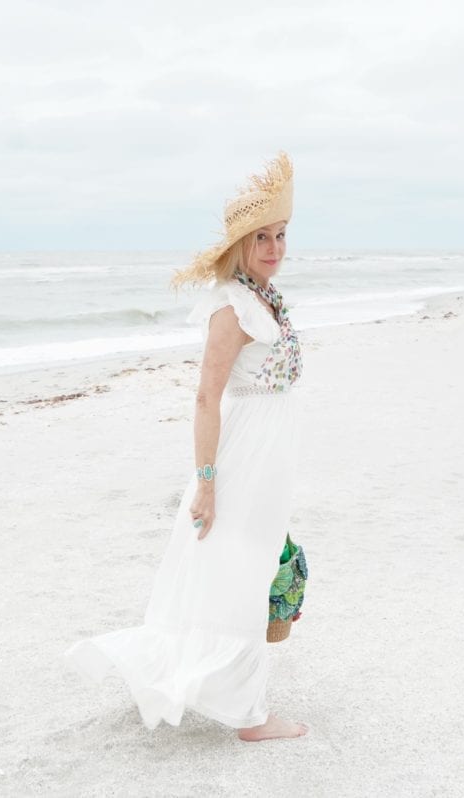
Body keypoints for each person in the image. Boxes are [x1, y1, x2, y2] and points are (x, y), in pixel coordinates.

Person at [63, 151, 307, 742]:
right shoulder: (233, 307)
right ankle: (250, 715)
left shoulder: (264, 295)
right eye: (262, 239)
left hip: (268, 450)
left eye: (281, 235)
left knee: (244, 562)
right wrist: (205, 481)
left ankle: (213, 682)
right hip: (243, 451)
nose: (275, 248)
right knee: (241, 566)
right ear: (240, 245)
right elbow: (205, 397)